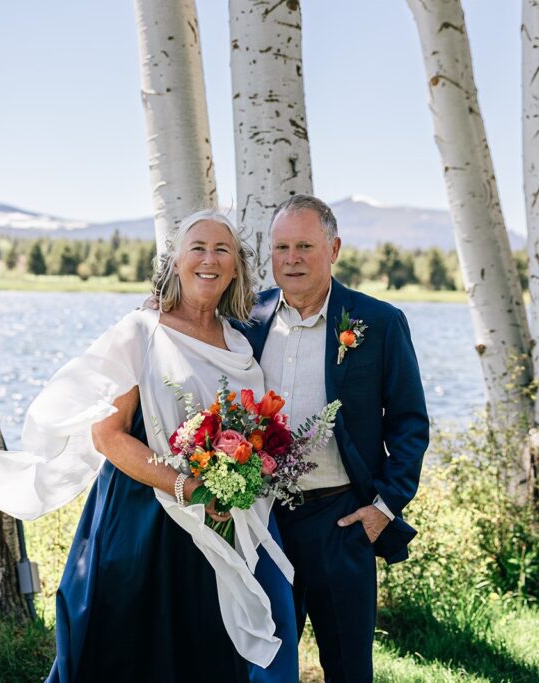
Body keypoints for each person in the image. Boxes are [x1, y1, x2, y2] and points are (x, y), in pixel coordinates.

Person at [0, 210, 298, 683]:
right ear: (174, 261)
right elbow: (107, 435)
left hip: (215, 527)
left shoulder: (238, 342)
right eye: (198, 248)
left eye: (222, 250)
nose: (209, 260)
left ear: (237, 267)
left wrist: (237, 478)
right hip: (142, 519)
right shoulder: (141, 331)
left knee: (204, 654)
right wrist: (187, 486)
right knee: (125, 652)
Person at [236, 195, 430, 682]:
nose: (292, 258)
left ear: (334, 248)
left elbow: (409, 423)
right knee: (260, 660)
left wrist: (382, 509)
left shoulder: (379, 323)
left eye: (305, 245)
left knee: (347, 666)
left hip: (342, 520)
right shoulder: (246, 319)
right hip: (263, 519)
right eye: (281, 247)